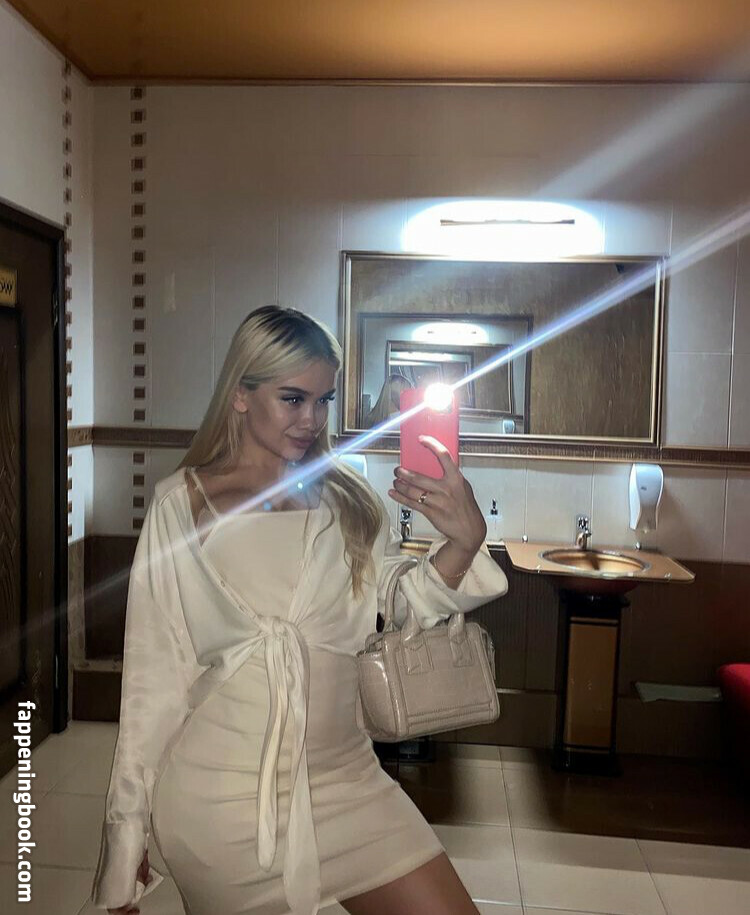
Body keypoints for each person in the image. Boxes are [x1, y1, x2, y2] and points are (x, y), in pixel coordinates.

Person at [90, 305, 509, 915]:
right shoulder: (182, 505)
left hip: (348, 780)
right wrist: (126, 834)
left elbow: (396, 604)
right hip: (224, 801)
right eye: (292, 399)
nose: (312, 419)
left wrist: (465, 543)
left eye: (324, 400)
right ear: (241, 394)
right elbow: (152, 681)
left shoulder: (349, 498)